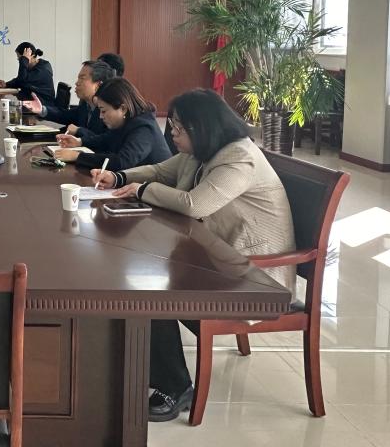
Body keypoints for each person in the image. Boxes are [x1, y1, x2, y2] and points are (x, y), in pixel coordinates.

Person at [89, 88, 296, 422]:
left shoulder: (238, 158)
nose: (172, 135)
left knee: (150, 292)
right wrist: (119, 177)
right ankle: (144, 362)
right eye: (172, 127)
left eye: (178, 129)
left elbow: (195, 205)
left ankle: (175, 386)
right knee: (136, 275)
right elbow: (160, 171)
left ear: (203, 127)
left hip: (253, 276)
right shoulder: (201, 150)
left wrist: (142, 191)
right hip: (217, 256)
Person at [55, 77, 171, 171]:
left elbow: (122, 162)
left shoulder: (144, 128)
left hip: (154, 188)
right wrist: (79, 141)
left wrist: (77, 156)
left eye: (103, 111)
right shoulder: (128, 120)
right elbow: (107, 138)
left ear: (123, 109)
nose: (100, 116)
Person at [24, 59, 116, 138]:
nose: (77, 83)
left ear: (98, 85)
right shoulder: (85, 104)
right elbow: (65, 115)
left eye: (82, 78)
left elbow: (105, 141)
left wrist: (79, 130)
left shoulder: (110, 110)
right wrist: (42, 109)